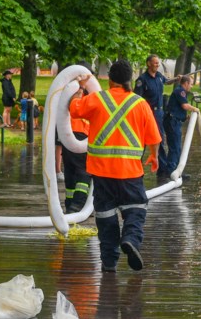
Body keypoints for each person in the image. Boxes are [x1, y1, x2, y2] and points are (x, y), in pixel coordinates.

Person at [69, 59, 161, 273]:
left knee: (105, 215)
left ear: (109, 80)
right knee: (136, 209)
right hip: (130, 172)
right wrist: (154, 157)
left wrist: (80, 88)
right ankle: (130, 239)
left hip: (101, 172)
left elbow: (74, 109)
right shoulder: (140, 104)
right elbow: (154, 139)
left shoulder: (97, 99)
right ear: (129, 80)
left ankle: (109, 260)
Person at [134, 54, 174, 177]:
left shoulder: (159, 77)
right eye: (155, 63)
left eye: (158, 63)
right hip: (147, 113)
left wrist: (177, 79)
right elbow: (137, 99)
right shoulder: (142, 79)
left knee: (159, 139)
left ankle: (162, 169)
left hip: (159, 113)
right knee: (142, 141)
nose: (157, 65)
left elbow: (167, 81)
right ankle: (136, 168)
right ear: (149, 64)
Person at [163, 75, 200, 179]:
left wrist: (184, 116)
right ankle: (172, 171)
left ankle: (176, 170)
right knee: (175, 147)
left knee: (176, 147)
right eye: (191, 84)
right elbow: (185, 105)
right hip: (172, 122)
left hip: (173, 121)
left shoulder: (179, 91)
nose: (191, 86)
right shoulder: (180, 91)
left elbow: (178, 107)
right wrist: (195, 109)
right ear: (186, 83)